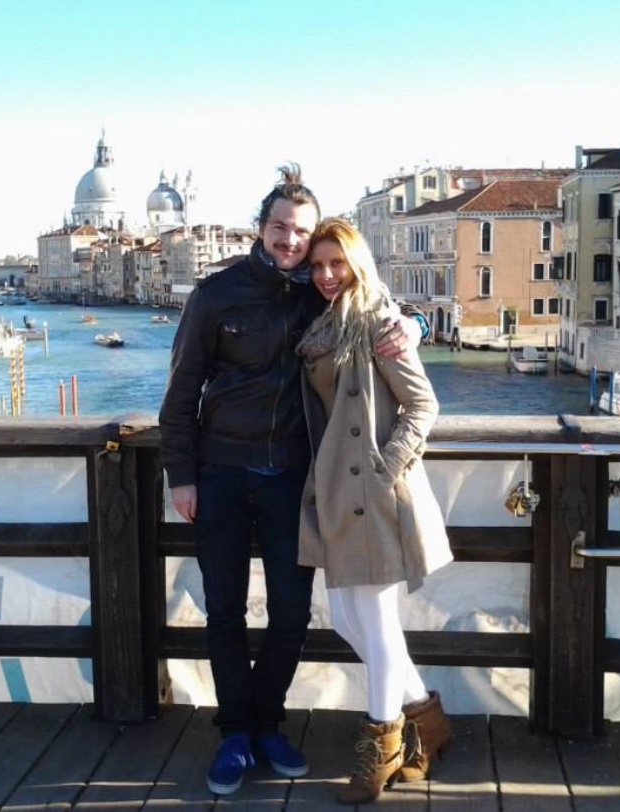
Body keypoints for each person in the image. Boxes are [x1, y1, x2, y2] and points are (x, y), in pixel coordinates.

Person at [158, 165, 422, 796]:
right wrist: (182, 476)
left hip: (294, 480)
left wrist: (413, 323)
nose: (289, 240)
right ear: (261, 227)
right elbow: (180, 391)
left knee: (292, 613)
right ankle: (235, 735)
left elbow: (373, 298)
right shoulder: (215, 295)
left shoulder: (320, 291)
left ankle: (269, 724)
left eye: (300, 232)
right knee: (222, 610)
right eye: (280, 227)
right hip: (220, 473)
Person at [296, 217, 454, 804]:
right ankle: (428, 725)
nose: (327, 274)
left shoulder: (378, 324)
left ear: (358, 263)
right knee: (345, 621)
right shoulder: (321, 328)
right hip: (336, 494)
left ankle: (379, 750)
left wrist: (385, 467)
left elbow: (423, 405)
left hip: (374, 495)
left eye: (337, 263)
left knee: (380, 626)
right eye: (318, 265)